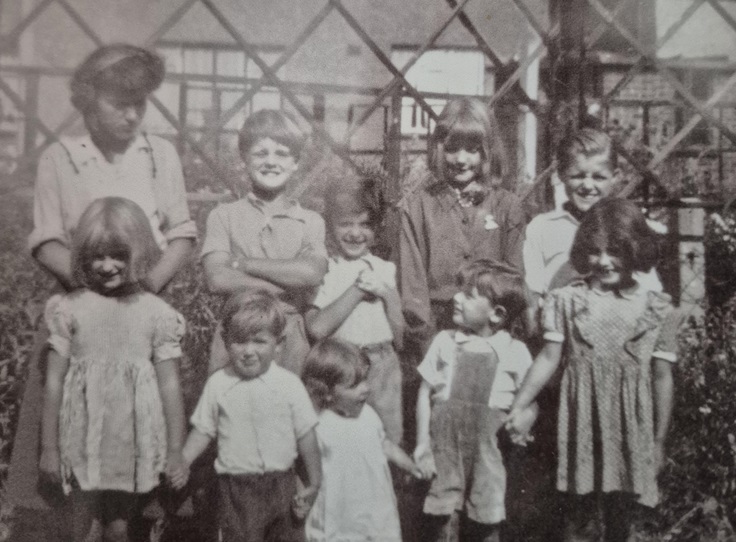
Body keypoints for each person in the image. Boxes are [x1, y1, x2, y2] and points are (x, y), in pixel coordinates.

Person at [9, 43, 196, 510]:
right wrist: (91, 293)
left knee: (140, 438)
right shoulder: (61, 158)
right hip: (80, 312)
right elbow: (47, 240)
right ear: (89, 101)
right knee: (70, 438)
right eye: (119, 104)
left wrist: (145, 289)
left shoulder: (159, 155)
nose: (132, 115)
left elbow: (181, 233)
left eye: (140, 104)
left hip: (142, 314)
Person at [506, 198, 679, 542]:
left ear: (636, 250)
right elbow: (548, 358)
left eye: (615, 251)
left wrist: (659, 440)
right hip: (580, 424)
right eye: (595, 252)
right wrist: (519, 404)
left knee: (620, 517)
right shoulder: (568, 301)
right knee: (576, 517)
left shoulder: (657, 309)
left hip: (630, 430)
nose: (603, 261)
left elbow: (662, 378)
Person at [38, 197, 188, 542]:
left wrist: (175, 450)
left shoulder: (155, 313)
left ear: (139, 252)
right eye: (97, 256)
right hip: (80, 439)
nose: (107, 266)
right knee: (82, 527)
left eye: (118, 255)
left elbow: (169, 385)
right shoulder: (70, 308)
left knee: (119, 528)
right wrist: (49, 448)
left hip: (130, 442)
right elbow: (54, 381)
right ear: (82, 255)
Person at [177, 290, 322, 542]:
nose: (248, 351)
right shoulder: (219, 383)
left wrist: (314, 482)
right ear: (225, 340)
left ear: (279, 344)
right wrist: (183, 460)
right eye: (239, 341)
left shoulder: (289, 384)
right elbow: (203, 430)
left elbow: (306, 435)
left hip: (282, 484)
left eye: (259, 341)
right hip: (237, 488)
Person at [413, 260, 536, 542]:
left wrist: (526, 417)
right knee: (443, 520)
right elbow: (424, 393)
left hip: (489, 456)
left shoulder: (515, 351)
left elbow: (531, 399)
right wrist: (422, 444)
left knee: (486, 519)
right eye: (459, 290)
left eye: (468, 295)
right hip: (445, 451)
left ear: (497, 314)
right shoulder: (444, 341)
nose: (456, 298)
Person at [201, 109, 328, 376]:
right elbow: (217, 279)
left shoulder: (310, 221)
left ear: (295, 162)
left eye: (281, 154)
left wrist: (243, 264)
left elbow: (312, 273)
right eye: (260, 153)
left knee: (288, 398)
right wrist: (290, 286)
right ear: (244, 158)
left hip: (288, 336)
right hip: (237, 333)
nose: (271, 162)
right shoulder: (223, 215)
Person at [398, 97, 526, 353]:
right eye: (452, 148)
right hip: (436, 329)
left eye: (472, 150)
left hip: (491, 328)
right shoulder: (418, 206)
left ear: (488, 152)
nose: (460, 159)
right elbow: (412, 285)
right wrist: (427, 342)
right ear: (438, 148)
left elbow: (514, 276)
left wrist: (499, 336)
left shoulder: (506, 206)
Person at [523, 127, 661, 334]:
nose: (588, 185)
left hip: (619, 331)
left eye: (598, 177)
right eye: (578, 176)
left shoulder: (628, 225)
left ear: (615, 176)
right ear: (561, 175)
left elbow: (648, 290)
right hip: (561, 333)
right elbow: (532, 293)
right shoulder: (542, 228)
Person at [305, 177, 405, 444]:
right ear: (330, 225)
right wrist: (358, 290)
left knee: (387, 436)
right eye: (345, 224)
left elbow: (399, 336)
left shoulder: (384, 269)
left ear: (377, 227)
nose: (355, 233)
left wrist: (388, 295)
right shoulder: (327, 270)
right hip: (341, 366)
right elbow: (317, 329)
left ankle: (386, 470)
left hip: (382, 362)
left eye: (365, 224)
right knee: (340, 434)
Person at [300, 339, 422, 542]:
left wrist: (410, 466)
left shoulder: (368, 414)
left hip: (376, 511)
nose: (366, 388)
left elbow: (384, 444)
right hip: (339, 516)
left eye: (365, 379)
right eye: (354, 385)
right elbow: (304, 471)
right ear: (327, 393)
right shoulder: (319, 427)